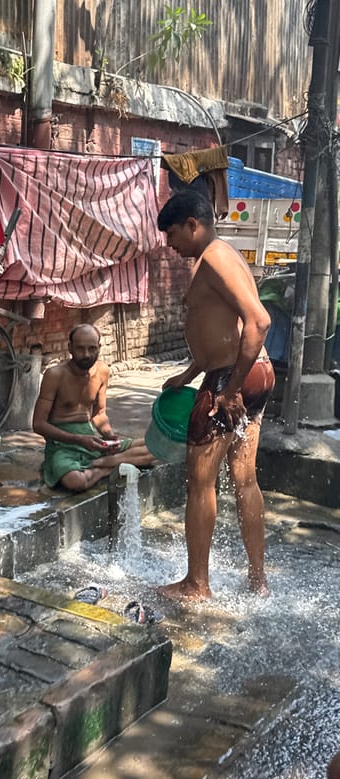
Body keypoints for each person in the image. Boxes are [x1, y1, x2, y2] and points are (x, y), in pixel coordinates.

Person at [155, 189, 274, 600]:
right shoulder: (223, 255)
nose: (169, 245)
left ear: (193, 224)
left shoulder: (216, 257)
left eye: (172, 234)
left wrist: (230, 389)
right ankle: (258, 581)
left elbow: (258, 321)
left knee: (199, 480)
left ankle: (196, 583)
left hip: (233, 378)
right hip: (252, 372)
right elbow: (221, 328)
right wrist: (189, 372)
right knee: (244, 478)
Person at [32, 323, 155, 492]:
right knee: (76, 482)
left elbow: (99, 414)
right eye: (80, 349)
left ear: (99, 348)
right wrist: (79, 440)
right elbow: (38, 424)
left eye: (92, 349)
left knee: (154, 449)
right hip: (62, 445)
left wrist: (111, 438)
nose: (86, 355)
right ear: (70, 348)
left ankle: (109, 462)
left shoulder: (102, 370)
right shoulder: (55, 375)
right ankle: (110, 467)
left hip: (92, 440)